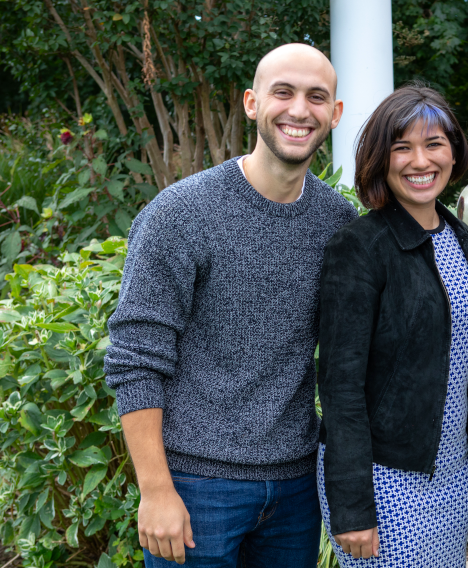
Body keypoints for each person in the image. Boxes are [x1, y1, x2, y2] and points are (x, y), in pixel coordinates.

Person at [104, 43, 357, 567]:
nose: (298, 110)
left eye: (316, 97)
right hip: (196, 489)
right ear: (250, 103)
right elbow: (135, 359)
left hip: (295, 490)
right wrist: (155, 491)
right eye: (282, 92)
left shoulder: (338, 224)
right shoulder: (179, 214)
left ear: (333, 114)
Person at [316, 84, 468, 567]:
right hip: (383, 478)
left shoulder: (463, 239)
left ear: (454, 153)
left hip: (452, 473)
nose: (420, 160)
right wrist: (353, 507)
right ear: (381, 158)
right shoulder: (359, 248)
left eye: (434, 144)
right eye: (402, 147)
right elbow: (340, 387)